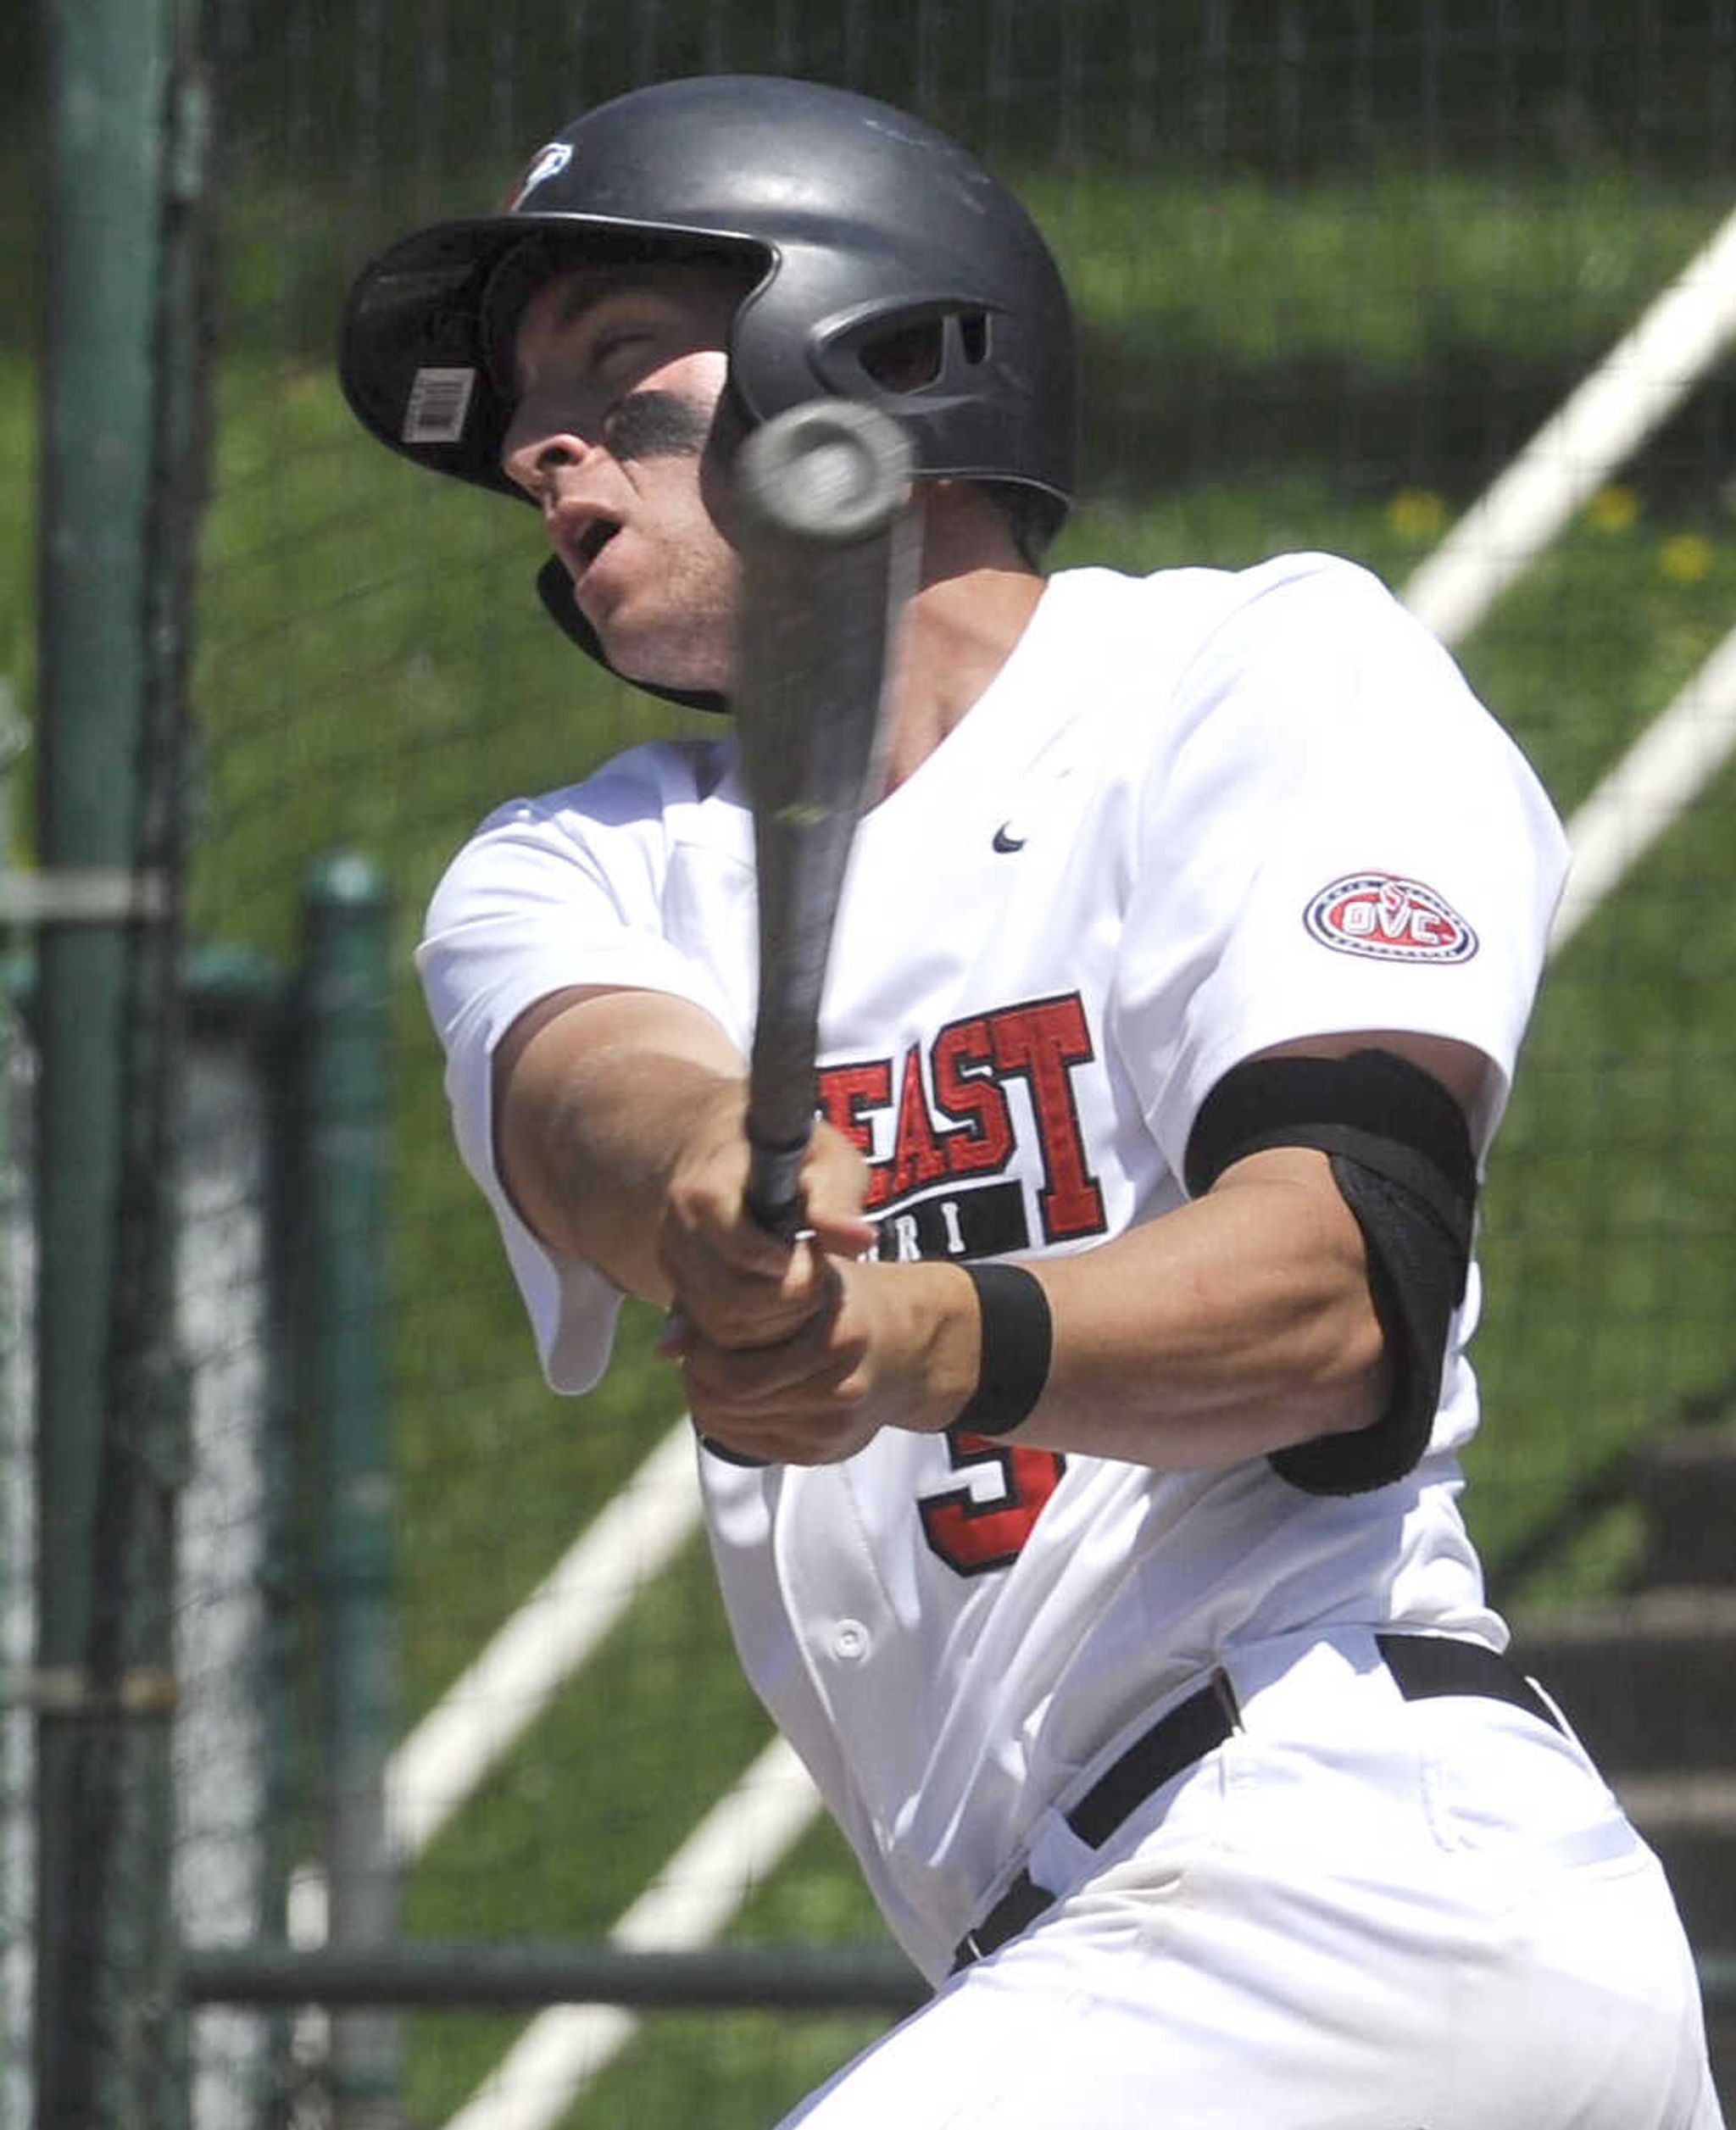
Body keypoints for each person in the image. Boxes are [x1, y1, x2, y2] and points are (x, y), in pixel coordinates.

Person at [340, 73, 1722, 2128]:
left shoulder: (1253, 682)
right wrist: (715, 1178)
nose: (548, 448)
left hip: (1348, 1863)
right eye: (528, 418)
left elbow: (1343, 1296)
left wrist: (912, 1331)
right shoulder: (578, 862)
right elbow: (594, 1098)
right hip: (1094, 1944)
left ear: (880, 349)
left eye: (621, 374)